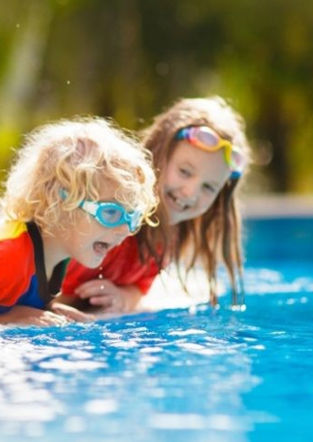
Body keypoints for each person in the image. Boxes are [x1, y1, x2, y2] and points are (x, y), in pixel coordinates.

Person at [0, 117, 158, 326]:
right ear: (60, 202)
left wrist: (51, 309)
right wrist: (10, 318)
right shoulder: (6, 257)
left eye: (132, 218)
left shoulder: (56, 256)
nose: (125, 230)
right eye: (111, 213)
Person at [57, 96, 250, 313]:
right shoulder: (109, 212)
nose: (190, 192)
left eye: (208, 188)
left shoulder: (168, 237)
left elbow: (139, 287)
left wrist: (123, 297)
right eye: (184, 172)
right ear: (156, 154)